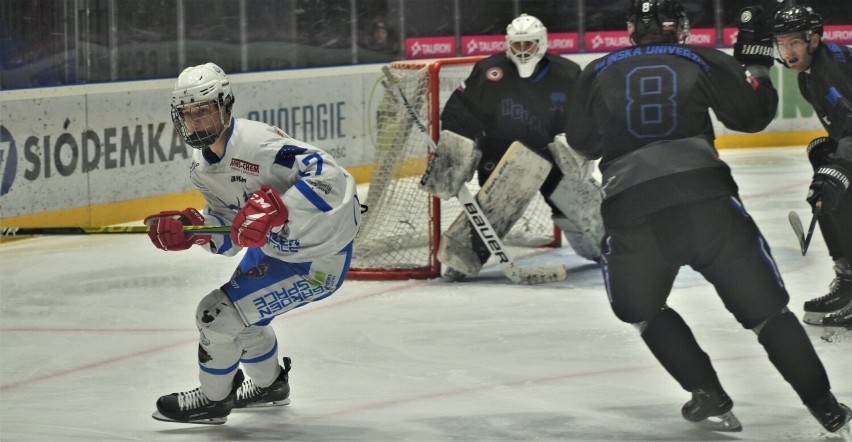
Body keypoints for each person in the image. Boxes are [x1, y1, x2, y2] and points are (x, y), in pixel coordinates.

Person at [564, 0, 850, 434]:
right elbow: (754, 117)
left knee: (641, 309)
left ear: (631, 32)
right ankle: (825, 406)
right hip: (708, 202)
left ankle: (707, 393)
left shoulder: (596, 70)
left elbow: (582, 144)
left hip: (633, 211)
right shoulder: (702, 57)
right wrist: (756, 67)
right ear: (676, 29)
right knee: (769, 314)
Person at [144, 62, 361, 425]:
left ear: (226, 106)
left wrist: (281, 210)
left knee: (214, 316)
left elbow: (329, 175)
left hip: (319, 260)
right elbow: (231, 234)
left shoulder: (257, 143)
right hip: (275, 250)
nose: (196, 122)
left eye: (205, 111)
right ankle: (269, 386)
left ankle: (214, 401)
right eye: (188, 114)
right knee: (244, 322)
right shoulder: (201, 167)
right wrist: (194, 230)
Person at [421, 13, 603, 280]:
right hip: (500, 155)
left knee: (581, 205)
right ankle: (461, 259)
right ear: (508, 44)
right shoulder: (489, 71)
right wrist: (457, 147)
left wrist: (577, 143)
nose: (522, 51)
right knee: (494, 208)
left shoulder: (567, 73)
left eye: (528, 44)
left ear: (541, 43)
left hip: (552, 156)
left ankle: (602, 248)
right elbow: (460, 111)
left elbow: (587, 116)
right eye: (517, 45)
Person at [772, 4, 852, 334]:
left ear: (813, 40)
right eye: (782, 43)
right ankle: (848, 278)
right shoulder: (811, 74)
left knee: (832, 180)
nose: (788, 51)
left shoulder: (826, 74)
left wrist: (838, 167)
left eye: (794, 42)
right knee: (827, 167)